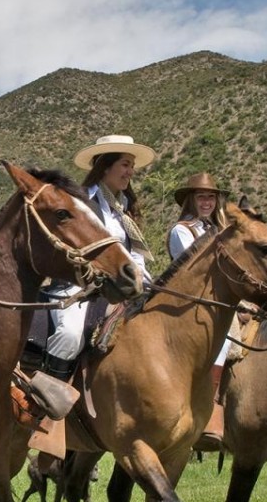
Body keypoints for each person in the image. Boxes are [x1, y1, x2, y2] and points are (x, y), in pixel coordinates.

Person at [42, 134, 157, 378]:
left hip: (121, 285)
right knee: (70, 334)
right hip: (78, 287)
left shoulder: (124, 207)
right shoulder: (82, 204)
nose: (131, 172)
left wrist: (143, 281)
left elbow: (134, 254)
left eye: (132, 166)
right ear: (105, 166)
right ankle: (49, 395)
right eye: (125, 164)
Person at [168, 172, 231, 451]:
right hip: (193, 301)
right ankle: (211, 407)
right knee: (225, 338)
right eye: (201, 196)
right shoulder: (182, 231)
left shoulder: (219, 229)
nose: (207, 202)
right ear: (192, 200)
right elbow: (200, 272)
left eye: (211, 197)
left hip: (219, 298)